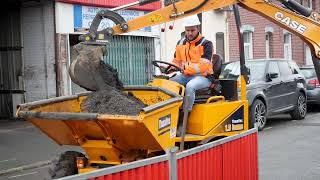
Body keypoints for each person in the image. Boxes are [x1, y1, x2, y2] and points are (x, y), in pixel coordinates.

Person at [170, 15, 214, 135]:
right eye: (187, 30)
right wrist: (169, 67)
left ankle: (183, 121)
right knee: (170, 83)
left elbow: (204, 65)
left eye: (192, 30)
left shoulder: (206, 44)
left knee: (190, 87)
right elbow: (176, 61)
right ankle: (171, 114)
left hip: (204, 77)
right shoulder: (180, 43)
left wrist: (185, 68)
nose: (189, 33)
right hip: (186, 75)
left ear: (197, 28)